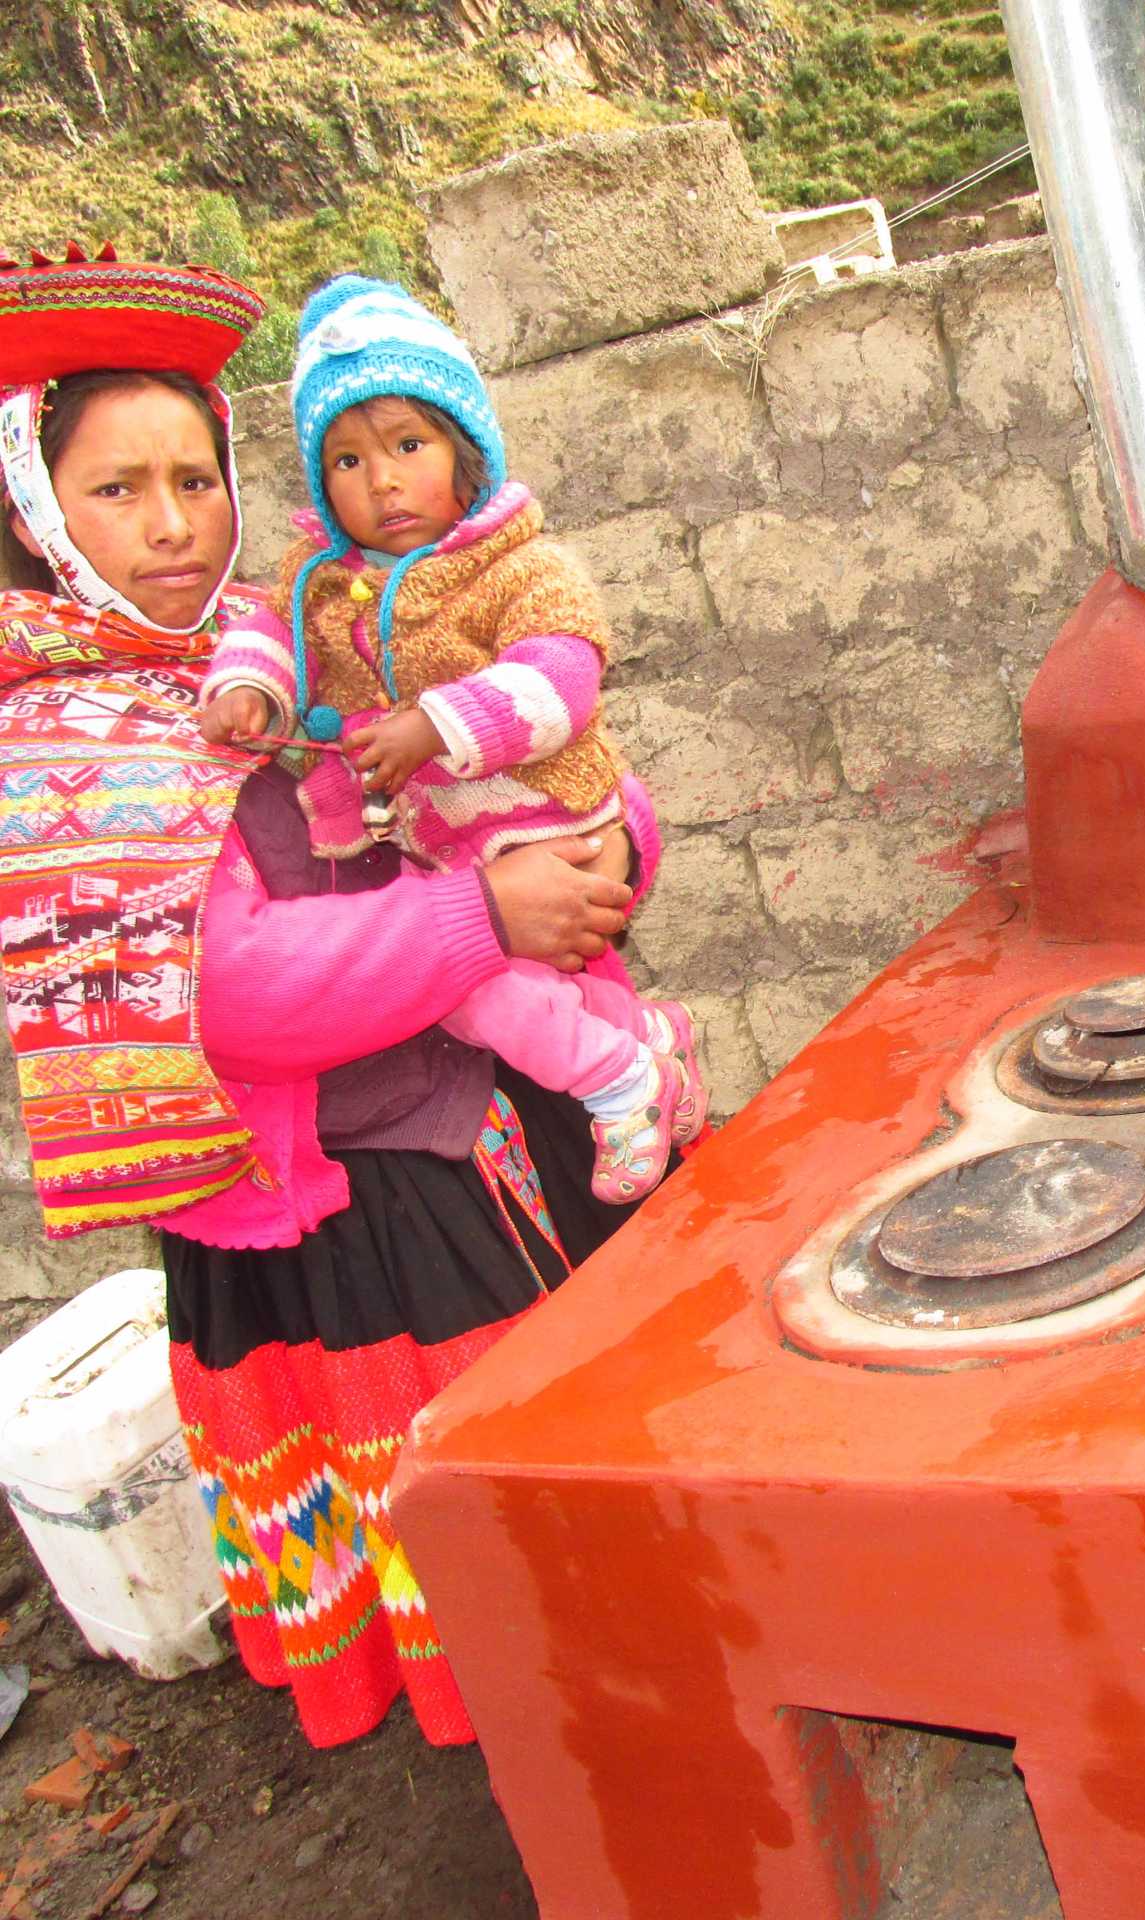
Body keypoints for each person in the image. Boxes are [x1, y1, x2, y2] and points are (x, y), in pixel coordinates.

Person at [0, 246, 642, 1749]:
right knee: (485, 1544)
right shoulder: (62, 731)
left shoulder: (263, 650)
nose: (174, 525)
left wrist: (595, 853)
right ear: (35, 513)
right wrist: (484, 913)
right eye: (118, 490)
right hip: (337, 1209)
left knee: (567, 1504)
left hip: (453, 1119)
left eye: (196, 477)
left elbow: (489, 774)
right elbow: (233, 994)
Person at [200, 276, 706, 1204]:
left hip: (537, 817)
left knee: (486, 999)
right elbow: (265, 631)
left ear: (465, 450)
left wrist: (435, 721)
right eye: (346, 462)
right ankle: (650, 1043)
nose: (382, 479)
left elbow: (563, 673)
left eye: (407, 444)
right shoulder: (314, 580)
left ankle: (619, 1083)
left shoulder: (519, 561)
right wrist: (247, 686)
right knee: (520, 991)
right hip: (446, 855)